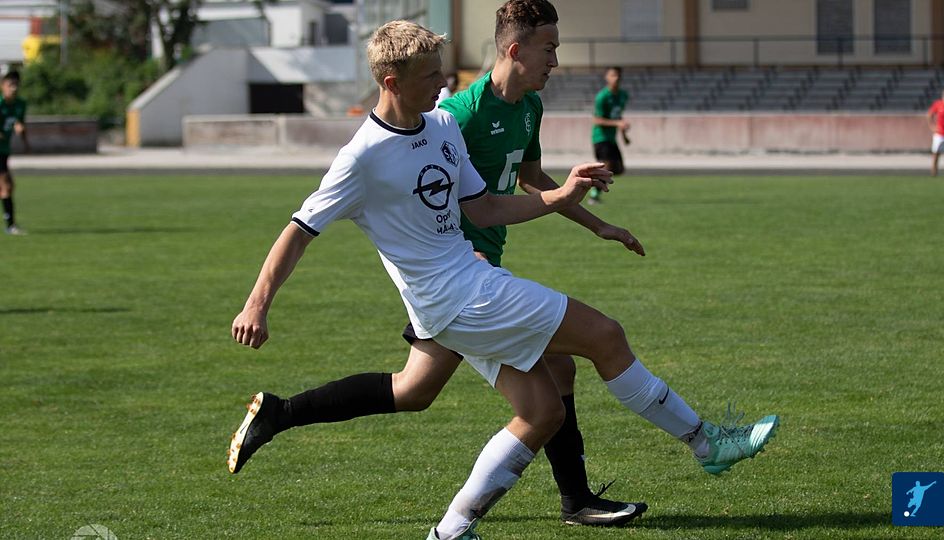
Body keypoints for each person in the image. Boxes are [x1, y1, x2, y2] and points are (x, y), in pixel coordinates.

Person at [230, 19, 779, 540]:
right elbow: (298, 231)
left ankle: (451, 530)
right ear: (391, 82)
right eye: (431, 75)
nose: (442, 82)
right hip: (460, 299)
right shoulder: (361, 158)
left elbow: (486, 207)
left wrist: (560, 198)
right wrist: (257, 304)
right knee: (605, 336)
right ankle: (706, 443)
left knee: (541, 411)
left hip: (467, 287)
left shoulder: (442, 125)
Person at [589, 66, 629, 204]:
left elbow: (618, 117)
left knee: (619, 169)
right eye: (612, 75)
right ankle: (594, 195)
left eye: (617, 75)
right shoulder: (602, 97)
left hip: (611, 139)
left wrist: (624, 136)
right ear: (606, 77)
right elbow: (597, 120)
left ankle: (592, 177)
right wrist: (617, 123)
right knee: (606, 167)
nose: (615, 78)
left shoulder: (623, 95)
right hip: (600, 137)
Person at [0, 70, 29, 235]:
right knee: (6, 186)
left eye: (16, 85)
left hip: (4, 150)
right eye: (10, 85)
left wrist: (25, 142)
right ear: (2, 86)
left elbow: (20, 124)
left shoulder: (20, 104)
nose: (14, 88)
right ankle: (10, 226)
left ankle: (10, 224)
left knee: (8, 187)